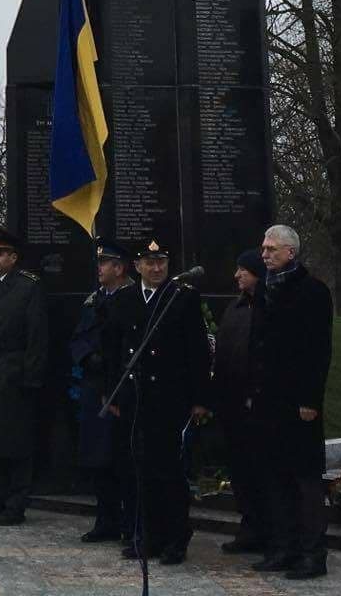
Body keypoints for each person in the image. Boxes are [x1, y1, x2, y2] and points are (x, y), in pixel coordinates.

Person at [105, 238, 210, 566]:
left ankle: (175, 538)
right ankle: (147, 536)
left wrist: (200, 398)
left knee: (169, 470)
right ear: (137, 266)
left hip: (170, 397)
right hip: (136, 397)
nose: (156, 268)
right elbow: (113, 349)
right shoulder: (125, 299)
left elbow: (197, 351)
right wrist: (112, 393)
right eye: (149, 263)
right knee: (140, 470)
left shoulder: (182, 297)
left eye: (161, 262)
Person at [250, 224, 336, 580]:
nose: (265, 254)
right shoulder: (263, 289)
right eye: (263, 248)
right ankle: (283, 547)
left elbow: (318, 349)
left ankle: (312, 553)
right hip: (269, 400)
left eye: (272, 249)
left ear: (291, 252)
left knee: (304, 480)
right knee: (275, 477)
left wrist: (310, 399)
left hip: (299, 402)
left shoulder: (312, 291)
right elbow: (257, 344)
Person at [0, 227, 47, 526]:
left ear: (13, 257)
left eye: (0, 254)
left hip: (15, 370)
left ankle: (16, 502)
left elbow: (36, 335)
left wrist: (31, 377)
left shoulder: (28, 287)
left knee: (15, 441)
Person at [68, 238, 130, 545]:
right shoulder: (94, 300)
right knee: (97, 457)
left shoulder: (130, 299)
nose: (99, 268)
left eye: (104, 263)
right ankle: (105, 519)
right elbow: (79, 337)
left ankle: (127, 521)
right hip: (94, 385)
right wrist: (87, 356)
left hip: (119, 386)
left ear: (119, 268)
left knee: (119, 457)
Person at [212, 248, 270, 555]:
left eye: (242, 271)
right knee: (240, 472)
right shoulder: (234, 308)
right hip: (231, 402)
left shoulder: (267, 306)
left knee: (260, 470)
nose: (236, 275)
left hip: (256, 403)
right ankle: (249, 526)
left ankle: (268, 529)